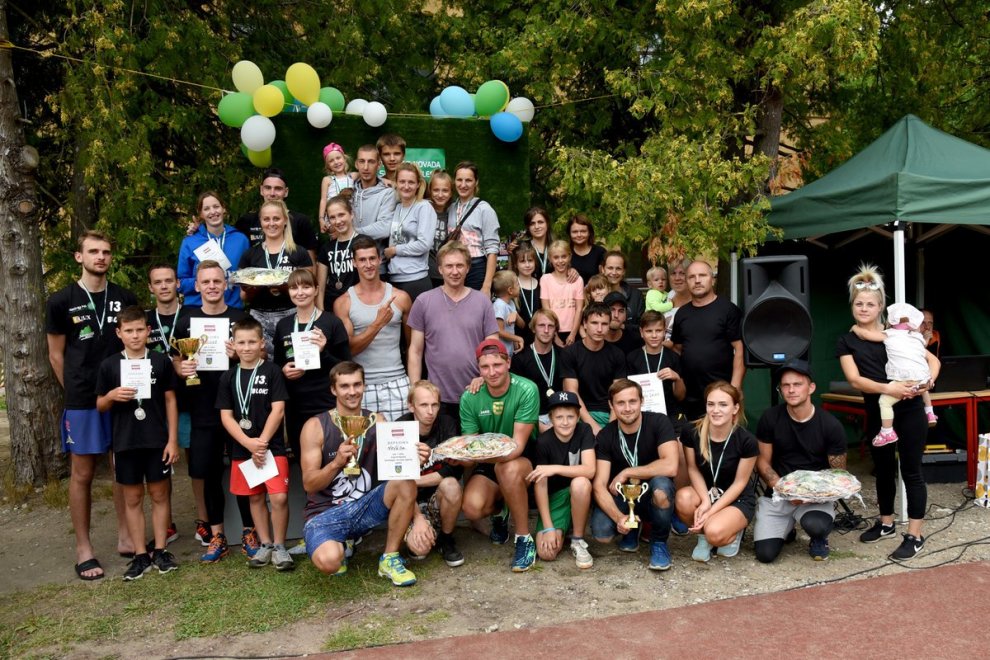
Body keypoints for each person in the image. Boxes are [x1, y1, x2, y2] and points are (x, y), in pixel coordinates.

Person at [46, 230, 139, 580]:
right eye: (93, 251)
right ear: (79, 257)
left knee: (122, 468)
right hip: (84, 400)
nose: (100, 257)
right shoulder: (60, 301)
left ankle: (126, 535)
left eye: (106, 252)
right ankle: (83, 548)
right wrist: (75, 391)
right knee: (82, 473)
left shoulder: (124, 297)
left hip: (123, 395)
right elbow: (56, 355)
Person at [837, 264, 938, 560]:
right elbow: (855, 380)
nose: (864, 309)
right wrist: (889, 389)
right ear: (852, 305)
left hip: (911, 411)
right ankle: (886, 523)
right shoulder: (847, 340)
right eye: (859, 304)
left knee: (911, 471)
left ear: (881, 307)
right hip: (879, 411)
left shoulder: (898, 334)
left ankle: (915, 536)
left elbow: (932, 362)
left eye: (870, 304)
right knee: (882, 469)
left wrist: (928, 381)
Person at [300, 361, 432, 585]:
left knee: (404, 480)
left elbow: (399, 473)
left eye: (357, 384)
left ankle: (389, 559)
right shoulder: (315, 426)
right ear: (333, 389)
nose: (352, 392)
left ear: (364, 386)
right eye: (344, 386)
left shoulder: (378, 421)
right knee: (330, 562)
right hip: (325, 514)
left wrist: (414, 459)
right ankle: (341, 544)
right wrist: (336, 464)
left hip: (364, 508)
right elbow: (309, 484)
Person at [173, 261, 258, 563]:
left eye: (217, 281)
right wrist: (181, 369)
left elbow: (257, 358)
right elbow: (175, 359)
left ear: (226, 284)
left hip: (238, 408)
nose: (211, 286)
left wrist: (239, 356)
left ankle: (249, 531)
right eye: (206, 281)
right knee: (209, 474)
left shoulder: (240, 318)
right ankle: (217, 535)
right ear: (196, 286)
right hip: (203, 407)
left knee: (244, 469)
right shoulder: (186, 319)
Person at [95, 305, 179, 580]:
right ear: (119, 333)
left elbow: (170, 400)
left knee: (159, 494)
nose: (134, 335)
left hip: (156, 440)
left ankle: (161, 550)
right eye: (129, 330)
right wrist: (111, 396)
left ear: (148, 331)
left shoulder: (160, 361)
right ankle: (140, 554)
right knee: (132, 498)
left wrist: (172, 440)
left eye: (139, 330)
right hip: (126, 442)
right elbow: (100, 405)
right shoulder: (109, 365)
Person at [754, 359, 848, 563]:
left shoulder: (830, 425)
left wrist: (810, 495)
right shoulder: (770, 418)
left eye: (797, 384)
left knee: (816, 525)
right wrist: (783, 489)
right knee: (765, 554)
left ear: (811, 387)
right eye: (786, 385)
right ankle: (787, 528)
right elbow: (762, 462)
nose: (791, 390)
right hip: (779, 493)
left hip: (815, 497)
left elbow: (838, 475)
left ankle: (819, 538)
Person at [217, 318, 293, 571]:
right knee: (255, 497)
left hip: (271, 447)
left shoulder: (272, 371)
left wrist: (261, 444)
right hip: (243, 448)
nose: (247, 347)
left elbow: (278, 410)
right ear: (233, 344)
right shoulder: (228, 376)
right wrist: (248, 443)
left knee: (279, 497)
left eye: (252, 342)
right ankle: (266, 544)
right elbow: (226, 416)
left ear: (262, 343)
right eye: (241, 342)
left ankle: (280, 546)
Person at [460, 340, 540, 572]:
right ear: (478, 368)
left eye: (497, 364)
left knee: (506, 468)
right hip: (489, 456)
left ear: (508, 363)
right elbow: (470, 444)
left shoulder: (526, 389)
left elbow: (517, 446)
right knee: (472, 508)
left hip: (523, 456)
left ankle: (524, 538)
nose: (492, 372)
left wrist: (473, 456)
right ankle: (500, 511)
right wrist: (460, 456)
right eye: (485, 367)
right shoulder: (470, 397)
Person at [591, 379, 679, 571]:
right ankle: (631, 526)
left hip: (651, 492)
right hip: (623, 496)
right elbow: (599, 485)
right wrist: (618, 518)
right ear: (611, 405)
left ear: (642, 401)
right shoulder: (606, 435)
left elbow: (671, 465)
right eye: (621, 403)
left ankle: (659, 542)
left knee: (662, 489)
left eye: (632, 401)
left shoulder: (659, 422)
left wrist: (628, 471)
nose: (627, 408)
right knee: (602, 534)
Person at [408, 241, 499, 420]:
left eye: (460, 265)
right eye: (449, 266)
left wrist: (485, 376)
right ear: (440, 269)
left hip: (477, 391)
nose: (455, 271)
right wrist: (416, 389)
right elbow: (415, 350)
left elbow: (493, 347)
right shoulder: (423, 301)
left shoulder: (482, 302)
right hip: (436, 398)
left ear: (468, 268)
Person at [274, 269, 351, 458]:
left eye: (306, 286)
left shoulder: (332, 323)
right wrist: (283, 370)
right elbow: (277, 363)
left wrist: (323, 352)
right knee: (303, 460)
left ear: (316, 289)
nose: (300, 292)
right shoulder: (283, 325)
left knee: (332, 459)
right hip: (296, 405)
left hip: (326, 403)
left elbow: (347, 368)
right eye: (294, 288)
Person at [675, 381, 757, 562]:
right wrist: (705, 501)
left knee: (715, 532)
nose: (716, 410)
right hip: (706, 492)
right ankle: (704, 538)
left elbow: (740, 483)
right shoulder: (691, 431)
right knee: (683, 498)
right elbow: (692, 468)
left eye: (723, 405)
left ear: (735, 408)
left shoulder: (747, 440)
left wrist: (710, 512)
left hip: (736, 498)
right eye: (711, 404)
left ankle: (731, 532)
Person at [334, 236, 413, 421]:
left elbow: (411, 347)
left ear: (380, 259)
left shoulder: (400, 298)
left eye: (372, 258)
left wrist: (413, 383)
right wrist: (378, 323)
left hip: (397, 382)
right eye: (362, 260)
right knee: (361, 440)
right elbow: (349, 349)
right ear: (354, 263)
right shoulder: (344, 302)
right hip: (360, 385)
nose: (368, 265)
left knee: (401, 439)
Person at [397, 380, 465, 567]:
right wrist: (418, 518)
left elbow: (453, 469)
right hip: (409, 502)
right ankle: (418, 529)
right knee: (420, 551)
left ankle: (446, 538)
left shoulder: (447, 424)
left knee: (451, 484)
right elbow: (395, 480)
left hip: (436, 498)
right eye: (424, 405)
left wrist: (413, 481)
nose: (430, 411)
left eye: (434, 405)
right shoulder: (400, 428)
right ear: (411, 406)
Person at [526, 391, 596, 568]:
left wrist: (555, 468)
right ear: (550, 418)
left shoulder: (584, 430)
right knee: (546, 553)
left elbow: (590, 470)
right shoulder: (543, 442)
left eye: (570, 417)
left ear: (578, 417)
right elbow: (541, 486)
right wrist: (549, 528)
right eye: (559, 417)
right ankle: (565, 525)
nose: (565, 422)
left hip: (577, 491)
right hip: (555, 496)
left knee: (581, 483)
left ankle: (577, 539)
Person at [853, 302, 938, 444]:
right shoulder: (916, 337)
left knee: (884, 402)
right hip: (921, 377)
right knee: (923, 387)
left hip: (903, 379)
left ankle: (887, 431)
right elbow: (926, 350)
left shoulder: (889, 334)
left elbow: (866, 335)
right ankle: (929, 412)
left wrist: (855, 328)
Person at [671, 260, 745, 421]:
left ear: (712, 279)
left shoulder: (728, 310)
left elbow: (740, 349)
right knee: (693, 436)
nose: (697, 280)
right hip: (690, 396)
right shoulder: (681, 314)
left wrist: (735, 387)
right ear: (687, 281)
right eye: (692, 277)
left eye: (702, 275)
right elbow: (677, 349)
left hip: (722, 393)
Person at [238, 200, 314, 356]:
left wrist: (284, 286)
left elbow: (310, 289)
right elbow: (244, 297)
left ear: (285, 220)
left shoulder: (299, 253)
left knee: (292, 362)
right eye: (266, 219)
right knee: (262, 365)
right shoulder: (250, 255)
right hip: (259, 318)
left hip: (292, 315)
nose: (271, 223)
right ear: (261, 222)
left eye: (276, 218)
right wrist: (252, 288)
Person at [358, 162, 437, 300]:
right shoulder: (398, 207)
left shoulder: (424, 207)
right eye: (402, 182)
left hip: (415, 280)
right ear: (396, 183)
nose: (406, 186)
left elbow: (425, 244)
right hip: (394, 278)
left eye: (411, 182)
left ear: (418, 184)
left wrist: (395, 250)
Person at [144, 263, 182, 543]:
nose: (164, 286)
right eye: (158, 282)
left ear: (178, 283)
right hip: (156, 402)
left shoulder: (192, 315)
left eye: (169, 280)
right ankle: (166, 524)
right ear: (151, 288)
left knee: (194, 461)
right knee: (161, 462)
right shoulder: (144, 321)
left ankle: (204, 521)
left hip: (190, 396)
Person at [562, 303, 627, 435]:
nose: (599, 329)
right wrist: (594, 427)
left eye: (604, 324)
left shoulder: (617, 354)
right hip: (579, 413)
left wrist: (610, 428)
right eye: (594, 323)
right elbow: (571, 392)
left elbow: (619, 392)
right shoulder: (570, 353)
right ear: (585, 324)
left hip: (610, 413)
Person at [177, 192, 250, 309]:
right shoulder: (190, 242)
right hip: (197, 308)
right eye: (206, 209)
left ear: (223, 208)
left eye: (216, 206)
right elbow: (180, 283)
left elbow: (248, 275)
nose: (212, 212)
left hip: (232, 307)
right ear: (201, 213)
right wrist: (205, 281)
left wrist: (235, 279)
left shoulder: (241, 240)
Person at [236, 167, 318, 266]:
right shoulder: (246, 221)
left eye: (278, 188)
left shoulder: (301, 221)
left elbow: (310, 266)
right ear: (261, 190)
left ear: (286, 192)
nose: (272, 193)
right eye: (268, 188)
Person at [448, 162, 500, 294]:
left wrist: (487, 286)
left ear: (476, 182)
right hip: (454, 268)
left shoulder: (485, 209)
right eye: (459, 180)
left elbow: (492, 249)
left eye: (468, 180)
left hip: (476, 267)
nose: (463, 185)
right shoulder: (451, 208)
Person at [511, 309, 565, 434]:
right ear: (533, 328)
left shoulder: (564, 356)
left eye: (550, 326)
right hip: (531, 418)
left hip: (560, 416)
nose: (546, 330)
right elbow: (516, 400)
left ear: (555, 329)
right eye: (541, 325)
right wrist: (538, 425)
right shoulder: (520, 358)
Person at [317, 195, 364, 312]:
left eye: (341, 215)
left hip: (358, 305)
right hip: (331, 306)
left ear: (351, 214)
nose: (338, 221)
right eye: (332, 217)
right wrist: (321, 312)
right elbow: (321, 286)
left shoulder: (364, 242)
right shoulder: (326, 248)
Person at [540, 240, 585, 347]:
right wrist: (554, 335)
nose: (560, 261)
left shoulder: (578, 280)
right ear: (550, 259)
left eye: (564, 256)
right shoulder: (545, 279)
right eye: (556, 257)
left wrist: (573, 334)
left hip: (573, 330)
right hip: (552, 330)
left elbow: (579, 309)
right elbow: (546, 309)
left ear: (569, 257)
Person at [351, 144, 398, 231]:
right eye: (362, 161)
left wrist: (352, 234)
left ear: (379, 165)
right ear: (356, 164)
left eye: (371, 162)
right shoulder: (348, 189)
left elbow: (384, 228)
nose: (366, 167)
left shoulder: (388, 193)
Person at [601, 250, 644, 327]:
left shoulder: (636, 296)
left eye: (618, 268)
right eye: (610, 268)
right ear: (603, 269)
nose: (614, 272)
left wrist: (624, 327)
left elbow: (641, 325)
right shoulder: (594, 293)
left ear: (624, 271)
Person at [426, 169, 453, 287]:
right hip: (425, 273)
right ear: (430, 191)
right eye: (436, 190)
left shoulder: (453, 213)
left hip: (447, 274)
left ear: (451, 192)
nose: (440, 195)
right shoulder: (423, 209)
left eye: (445, 190)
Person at [317, 143, 355, 227]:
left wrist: (383, 179)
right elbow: (323, 200)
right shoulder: (327, 180)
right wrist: (321, 219)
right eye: (331, 161)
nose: (336, 162)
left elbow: (370, 175)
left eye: (338, 158)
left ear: (344, 158)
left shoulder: (353, 176)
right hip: (334, 218)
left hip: (351, 217)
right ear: (328, 165)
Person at [512, 242, 540, 348]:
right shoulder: (511, 286)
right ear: (516, 264)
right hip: (518, 341)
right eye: (522, 261)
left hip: (539, 339)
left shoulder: (541, 283)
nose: (527, 265)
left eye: (530, 260)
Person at [567, 214, 606, 283]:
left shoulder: (600, 253)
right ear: (569, 233)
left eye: (583, 231)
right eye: (575, 232)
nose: (579, 235)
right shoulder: (565, 253)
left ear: (589, 232)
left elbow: (605, 279)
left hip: (594, 289)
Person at [493, 270, 524, 357]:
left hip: (509, 351)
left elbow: (522, 325)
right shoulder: (499, 305)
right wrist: (518, 338)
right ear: (510, 290)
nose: (520, 286)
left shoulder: (511, 303)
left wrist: (515, 314)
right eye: (517, 284)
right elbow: (499, 331)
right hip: (500, 353)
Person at [603, 291, 644, 355]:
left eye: (621, 311)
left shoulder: (635, 341)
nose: (616, 315)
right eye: (612, 310)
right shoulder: (594, 339)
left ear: (625, 315)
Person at [663, 258, 691, 345]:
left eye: (682, 273)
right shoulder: (666, 297)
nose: (677, 278)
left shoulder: (697, 302)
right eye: (673, 273)